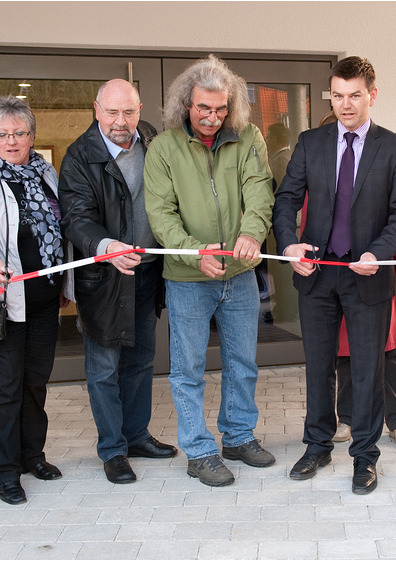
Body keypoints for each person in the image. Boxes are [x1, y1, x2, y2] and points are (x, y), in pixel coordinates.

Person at [273, 56, 396, 494]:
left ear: (372, 95)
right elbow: (286, 200)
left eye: (355, 95)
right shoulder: (310, 142)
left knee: (369, 369)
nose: (345, 104)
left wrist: (379, 250)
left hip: (366, 275)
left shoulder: (394, 148)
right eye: (338, 95)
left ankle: (365, 457)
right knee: (318, 367)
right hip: (317, 273)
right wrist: (287, 245)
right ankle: (317, 445)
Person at [144, 55, 276, 487]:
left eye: (221, 109)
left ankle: (238, 436)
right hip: (187, 279)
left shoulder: (249, 137)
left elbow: (260, 193)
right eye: (204, 108)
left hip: (240, 274)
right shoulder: (163, 148)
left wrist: (252, 234)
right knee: (188, 370)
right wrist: (192, 252)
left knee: (243, 362)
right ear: (186, 103)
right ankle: (199, 451)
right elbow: (161, 215)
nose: (212, 117)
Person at [59, 79, 178, 484]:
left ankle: (137, 434)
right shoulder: (79, 156)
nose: (120, 121)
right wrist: (106, 245)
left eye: (128, 111)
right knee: (104, 366)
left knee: (141, 358)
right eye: (112, 112)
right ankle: (112, 449)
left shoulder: (151, 140)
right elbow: (74, 218)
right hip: (104, 277)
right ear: (96, 109)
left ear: (140, 110)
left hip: (147, 272)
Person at [0, 96, 66, 505]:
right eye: (2, 134)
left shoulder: (46, 173)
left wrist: (61, 285)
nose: (11, 141)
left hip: (42, 298)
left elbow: (58, 231)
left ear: (32, 137)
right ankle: (5, 471)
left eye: (19, 134)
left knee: (35, 382)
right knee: (3, 389)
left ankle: (32, 455)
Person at [334, 235, 396, 447]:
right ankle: (347, 418)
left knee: (391, 353)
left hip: (383, 268)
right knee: (346, 354)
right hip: (342, 270)